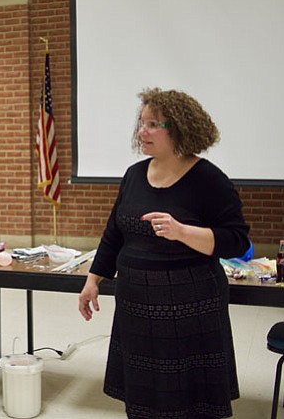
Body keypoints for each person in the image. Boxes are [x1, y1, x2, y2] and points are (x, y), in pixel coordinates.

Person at [78, 88, 250, 419]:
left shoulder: (209, 179)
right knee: (142, 399)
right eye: (141, 123)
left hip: (191, 306)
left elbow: (237, 240)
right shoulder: (133, 176)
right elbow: (115, 234)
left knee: (189, 401)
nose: (142, 132)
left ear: (180, 129)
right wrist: (93, 280)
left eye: (154, 124)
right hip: (136, 304)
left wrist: (182, 231)